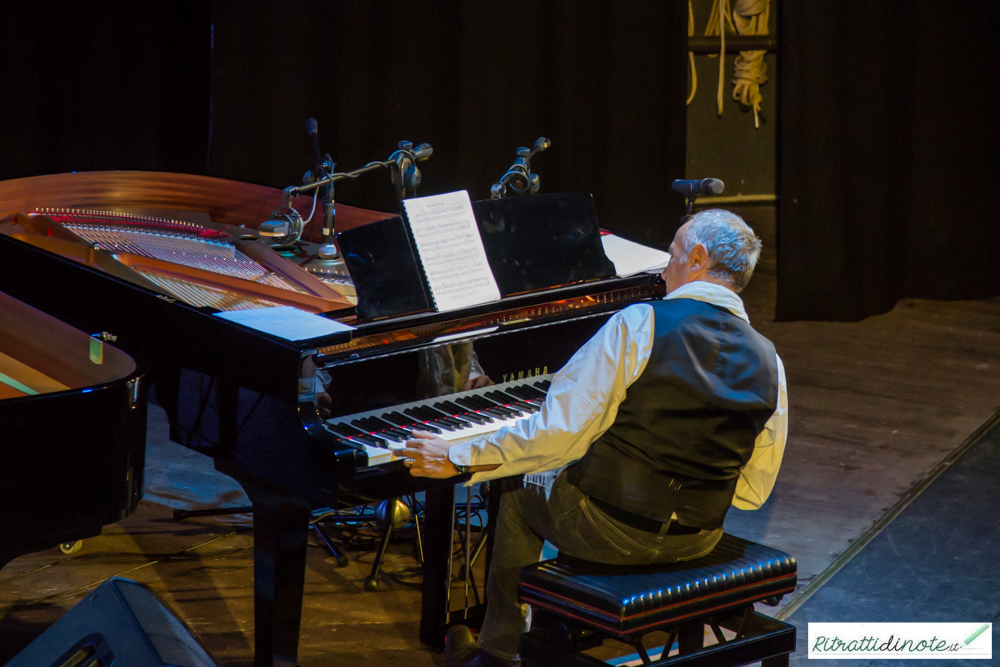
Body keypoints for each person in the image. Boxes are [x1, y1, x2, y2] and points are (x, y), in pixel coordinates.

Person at [402, 208, 788, 667]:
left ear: (698, 258)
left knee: (517, 484)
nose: (665, 269)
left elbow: (555, 436)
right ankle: (552, 627)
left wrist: (458, 454)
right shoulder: (771, 362)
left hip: (608, 532)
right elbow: (751, 493)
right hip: (699, 538)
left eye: (672, 255)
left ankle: (497, 653)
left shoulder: (641, 324)